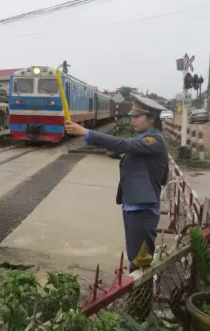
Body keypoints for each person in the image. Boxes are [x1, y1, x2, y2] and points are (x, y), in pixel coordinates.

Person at [64, 94, 168, 273]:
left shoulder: (154, 140)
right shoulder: (146, 140)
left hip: (143, 210)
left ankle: (140, 298)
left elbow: (125, 144)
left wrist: (85, 132)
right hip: (134, 204)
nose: (132, 120)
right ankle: (136, 291)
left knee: (140, 260)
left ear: (151, 119)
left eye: (137, 117)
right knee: (134, 255)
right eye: (132, 116)